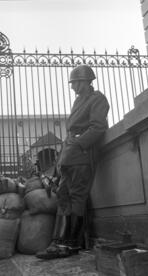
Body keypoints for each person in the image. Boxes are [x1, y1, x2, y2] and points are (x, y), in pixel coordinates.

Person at [36, 64, 110, 259]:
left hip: (82, 155)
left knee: (77, 196)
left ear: (86, 81)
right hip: (69, 154)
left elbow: (98, 127)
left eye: (75, 82)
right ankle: (60, 240)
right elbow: (70, 132)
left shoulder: (98, 99)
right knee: (62, 193)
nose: (72, 87)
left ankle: (71, 244)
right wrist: (62, 157)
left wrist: (77, 145)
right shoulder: (78, 101)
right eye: (72, 83)